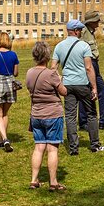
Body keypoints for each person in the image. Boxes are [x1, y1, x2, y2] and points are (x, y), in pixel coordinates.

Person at [52, 20, 104, 155]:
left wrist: (59, 82)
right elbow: (88, 67)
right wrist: (94, 87)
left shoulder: (59, 46)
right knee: (91, 114)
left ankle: (73, 148)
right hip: (83, 84)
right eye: (80, 30)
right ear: (75, 31)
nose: (81, 32)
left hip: (67, 85)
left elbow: (53, 68)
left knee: (70, 116)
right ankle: (95, 144)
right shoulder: (84, 46)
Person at [26, 42, 68, 191]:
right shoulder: (51, 74)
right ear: (47, 56)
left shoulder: (29, 72)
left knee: (38, 148)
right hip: (52, 114)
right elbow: (64, 92)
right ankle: (53, 182)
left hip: (36, 114)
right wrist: (60, 78)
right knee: (52, 149)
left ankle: (33, 179)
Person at [79, 10, 104, 129]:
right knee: (100, 91)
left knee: (87, 91)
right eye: (97, 20)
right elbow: (80, 48)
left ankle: (86, 121)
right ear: (91, 22)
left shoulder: (90, 31)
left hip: (93, 63)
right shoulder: (83, 31)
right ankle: (98, 121)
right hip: (89, 63)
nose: (99, 22)